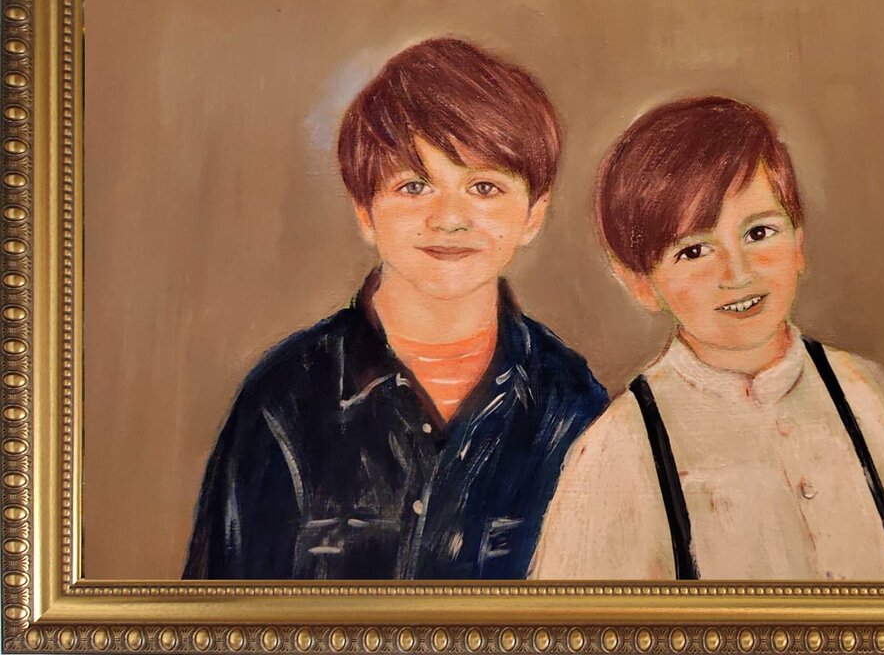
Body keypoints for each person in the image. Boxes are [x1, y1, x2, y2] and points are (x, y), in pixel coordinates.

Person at [184, 37, 607, 579]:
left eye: (484, 187)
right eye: (414, 186)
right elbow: (223, 604)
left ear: (533, 215)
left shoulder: (570, 403)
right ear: (365, 211)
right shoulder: (285, 399)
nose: (449, 218)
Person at [530, 96, 884, 580]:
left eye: (759, 233)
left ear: (798, 243)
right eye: (694, 251)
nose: (737, 273)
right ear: (641, 283)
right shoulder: (620, 450)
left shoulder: (863, 394)